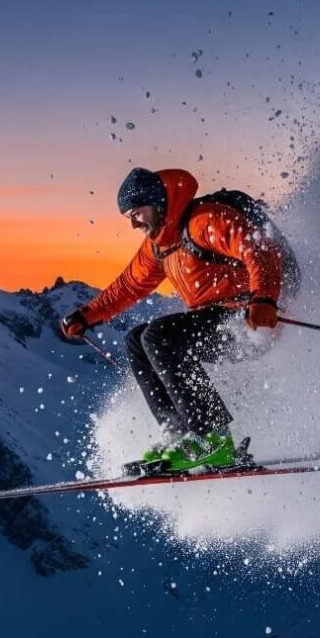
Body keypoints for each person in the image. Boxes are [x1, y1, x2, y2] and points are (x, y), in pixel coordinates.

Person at [60, 166, 292, 472]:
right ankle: (178, 432)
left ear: (156, 202)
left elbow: (257, 247)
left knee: (160, 336)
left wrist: (264, 298)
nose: (132, 223)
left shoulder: (203, 221)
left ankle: (214, 440)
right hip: (220, 320)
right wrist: (87, 315)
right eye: (128, 216)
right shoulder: (160, 245)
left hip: (253, 321)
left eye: (136, 213)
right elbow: (130, 285)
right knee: (136, 340)